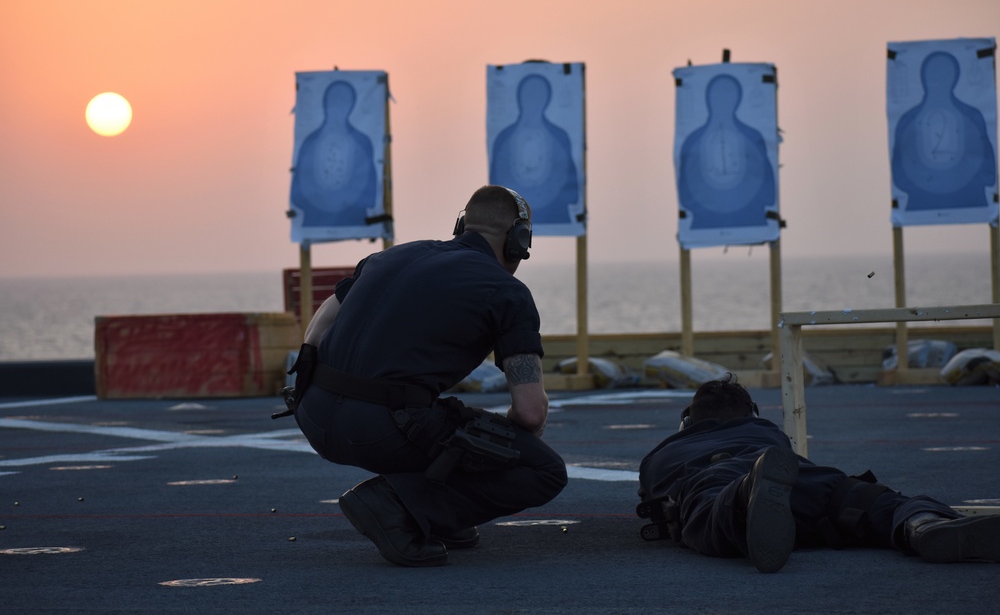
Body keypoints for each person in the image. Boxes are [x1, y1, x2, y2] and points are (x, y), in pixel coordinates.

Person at [286, 185, 567, 567]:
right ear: (519, 240)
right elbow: (531, 413)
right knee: (543, 469)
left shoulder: (390, 257)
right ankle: (393, 506)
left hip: (312, 412)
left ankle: (437, 518)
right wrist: (498, 448)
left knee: (436, 414)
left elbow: (318, 330)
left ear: (461, 224)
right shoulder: (507, 292)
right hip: (383, 429)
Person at [637, 374, 1000, 573]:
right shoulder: (769, 433)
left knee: (713, 514)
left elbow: (656, 501)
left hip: (718, 478)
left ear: (687, 421)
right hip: (801, 475)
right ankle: (924, 525)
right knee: (875, 503)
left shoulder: (664, 453)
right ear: (752, 414)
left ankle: (746, 498)